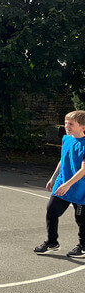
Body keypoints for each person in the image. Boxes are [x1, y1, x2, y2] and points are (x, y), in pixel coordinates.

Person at [34, 110, 85, 257]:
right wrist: (54, 177)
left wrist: (68, 184)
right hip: (63, 183)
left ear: (83, 127)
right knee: (51, 211)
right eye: (65, 123)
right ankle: (52, 242)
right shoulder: (66, 139)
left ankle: (83, 246)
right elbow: (63, 159)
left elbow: (83, 170)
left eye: (71, 124)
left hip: (80, 188)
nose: (67, 126)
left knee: (81, 218)